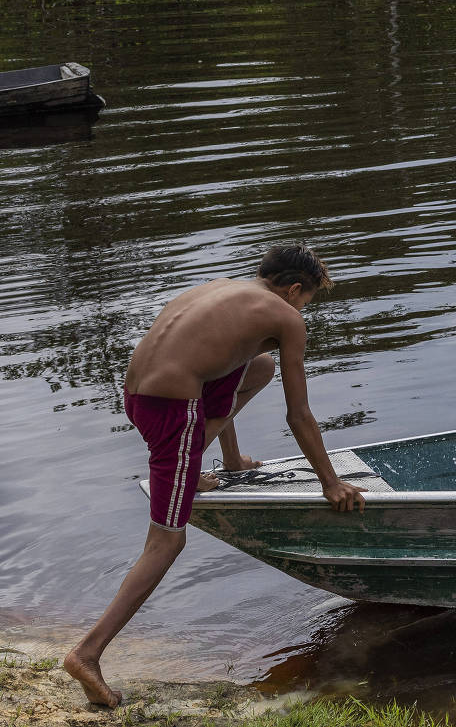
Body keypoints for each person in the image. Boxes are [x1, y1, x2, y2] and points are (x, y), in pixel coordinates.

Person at [63, 245, 364, 708]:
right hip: (172, 412)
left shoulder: (226, 289)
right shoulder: (287, 317)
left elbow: (220, 369)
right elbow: (298, 412)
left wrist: (234, 459)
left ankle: (224, 460)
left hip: (141, 394)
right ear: (295, 289)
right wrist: (331, 482)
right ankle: (87, 654)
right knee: (167, 541)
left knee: (257, 365)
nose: (304, 310)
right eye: (307, 301)